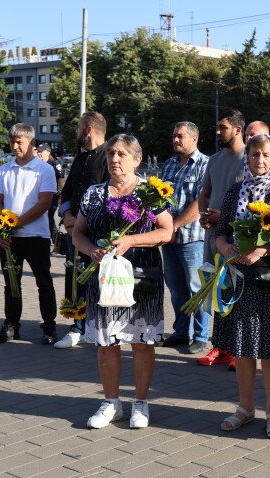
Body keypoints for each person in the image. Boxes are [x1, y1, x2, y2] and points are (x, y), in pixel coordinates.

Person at [72, 134, 174, 429]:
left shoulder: (149, 193)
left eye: (121, 154)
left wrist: (132, 240)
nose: (114, 159)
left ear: (137, 160)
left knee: (141, 341)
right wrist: (91, 250)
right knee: (106, 342)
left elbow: (167, 232)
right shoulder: (93, 193)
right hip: (104, 279)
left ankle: (140, 402)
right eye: (110, 154)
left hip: (141, 278)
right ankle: (111, 402)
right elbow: (77, 233)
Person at [213, 134, 270, 439]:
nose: (259, 160)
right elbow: (221, 231)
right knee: (242, 346)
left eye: (265, 155)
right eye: (254, 154)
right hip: (239, 279)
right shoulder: (236, 190)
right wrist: (225, 247)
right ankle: (245, 407)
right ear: (247, 157)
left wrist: (261, 250)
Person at [0, 124, 58, 345]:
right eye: (12, 142)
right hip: (9, 238)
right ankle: (11, 325)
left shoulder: (44, 169)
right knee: (11, 282)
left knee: (44, 282)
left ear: (32, 143)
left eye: (20, 142)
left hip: (36, 236)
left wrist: (14, 224)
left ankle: (49, 326)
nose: (15, 146)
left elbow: (44, 203)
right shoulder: (5, 169)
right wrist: (1, 227)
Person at [54, 112, 109, 349]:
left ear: (88, 130)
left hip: (97, 232)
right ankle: (77, 326)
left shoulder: (109, 156)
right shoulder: (80, 157)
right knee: (75, 277)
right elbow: (67, 192)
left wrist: (82, 221)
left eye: (78, 128)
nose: (76, 132)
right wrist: (67, 215)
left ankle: (97, 326)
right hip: (73, 231)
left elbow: (111, 195)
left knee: (97, 279)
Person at [196, 108, 246, 368]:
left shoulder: (251, 158)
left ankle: (238, 348)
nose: (218, 132)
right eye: (217, 127)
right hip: (213, 236)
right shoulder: (214, 160)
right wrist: (204, 215)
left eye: (223, 127)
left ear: (238, 129)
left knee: (237, 290)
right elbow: (204, 194)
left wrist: (223, 216)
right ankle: (220, 346)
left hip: (238, 238)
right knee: (216, 289)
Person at [160, 122, 211, 354]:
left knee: (197, 289)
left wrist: (174, 225)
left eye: (180, 136)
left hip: (192, 239)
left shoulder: (204, 164)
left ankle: (201, 336)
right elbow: (159, 199)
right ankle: (181, 332)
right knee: (176, 289)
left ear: (194, 139)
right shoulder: (169, 164)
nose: (176, 140)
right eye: (174, 136)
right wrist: (162, 227)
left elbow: (201, 201)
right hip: (168, 238)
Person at [36, 144, 63, 241]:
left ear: (48, 152)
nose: (39, 153)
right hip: (40, 196)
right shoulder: (38, 164)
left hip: (52, 196)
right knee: (43, 218)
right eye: (38, 151)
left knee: (49, 218)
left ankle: (56, 240)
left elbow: (60, 179)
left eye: (41, 151)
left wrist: (62, 196)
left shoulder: (54, 164)